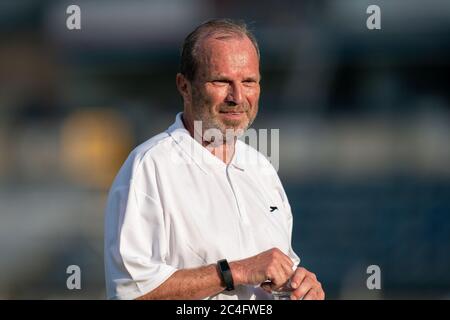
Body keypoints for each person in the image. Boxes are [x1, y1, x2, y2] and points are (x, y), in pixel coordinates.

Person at [104, 19, 324, 300]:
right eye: (221, 81)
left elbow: (276, 273)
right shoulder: (149, 167)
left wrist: (300, 286)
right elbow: (129, 293)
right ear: (184, 86)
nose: (237, 97)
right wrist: (235, 272)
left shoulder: (262, 169)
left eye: (248, 82)